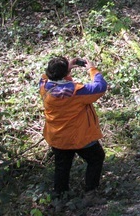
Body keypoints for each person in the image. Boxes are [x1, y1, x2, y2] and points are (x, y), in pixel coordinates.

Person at [39, 57, 107, 197]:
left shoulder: (44, 87)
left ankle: (60, 197)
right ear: (65, 73)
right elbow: (100, 87)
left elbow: (46, 77)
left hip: (58, 138)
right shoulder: (77, 92)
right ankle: (91, 191)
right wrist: (92, 69)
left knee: (62, 167)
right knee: (96, 158)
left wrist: (65, 70)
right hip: (80, 136)